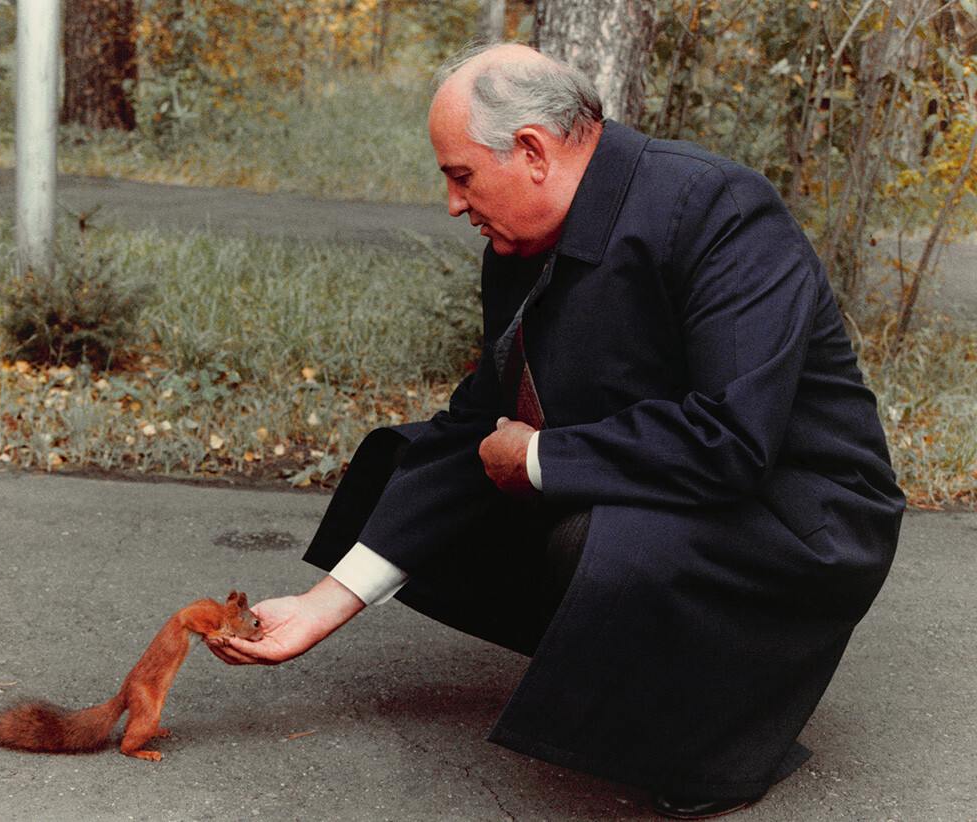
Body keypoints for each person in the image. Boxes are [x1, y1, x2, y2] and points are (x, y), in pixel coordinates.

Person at [210, 43, 905, 819]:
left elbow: (731, 440)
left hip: (804, 516)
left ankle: (721, 739)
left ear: (533, 151)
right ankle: (621, 657)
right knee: (407, 463)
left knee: (586, 531)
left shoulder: (718, 208)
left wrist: (540, 456)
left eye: (460, 174)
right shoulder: (518, 243)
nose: (451, 203)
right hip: (694, 484)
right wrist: (325, 601)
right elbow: (476, 423)